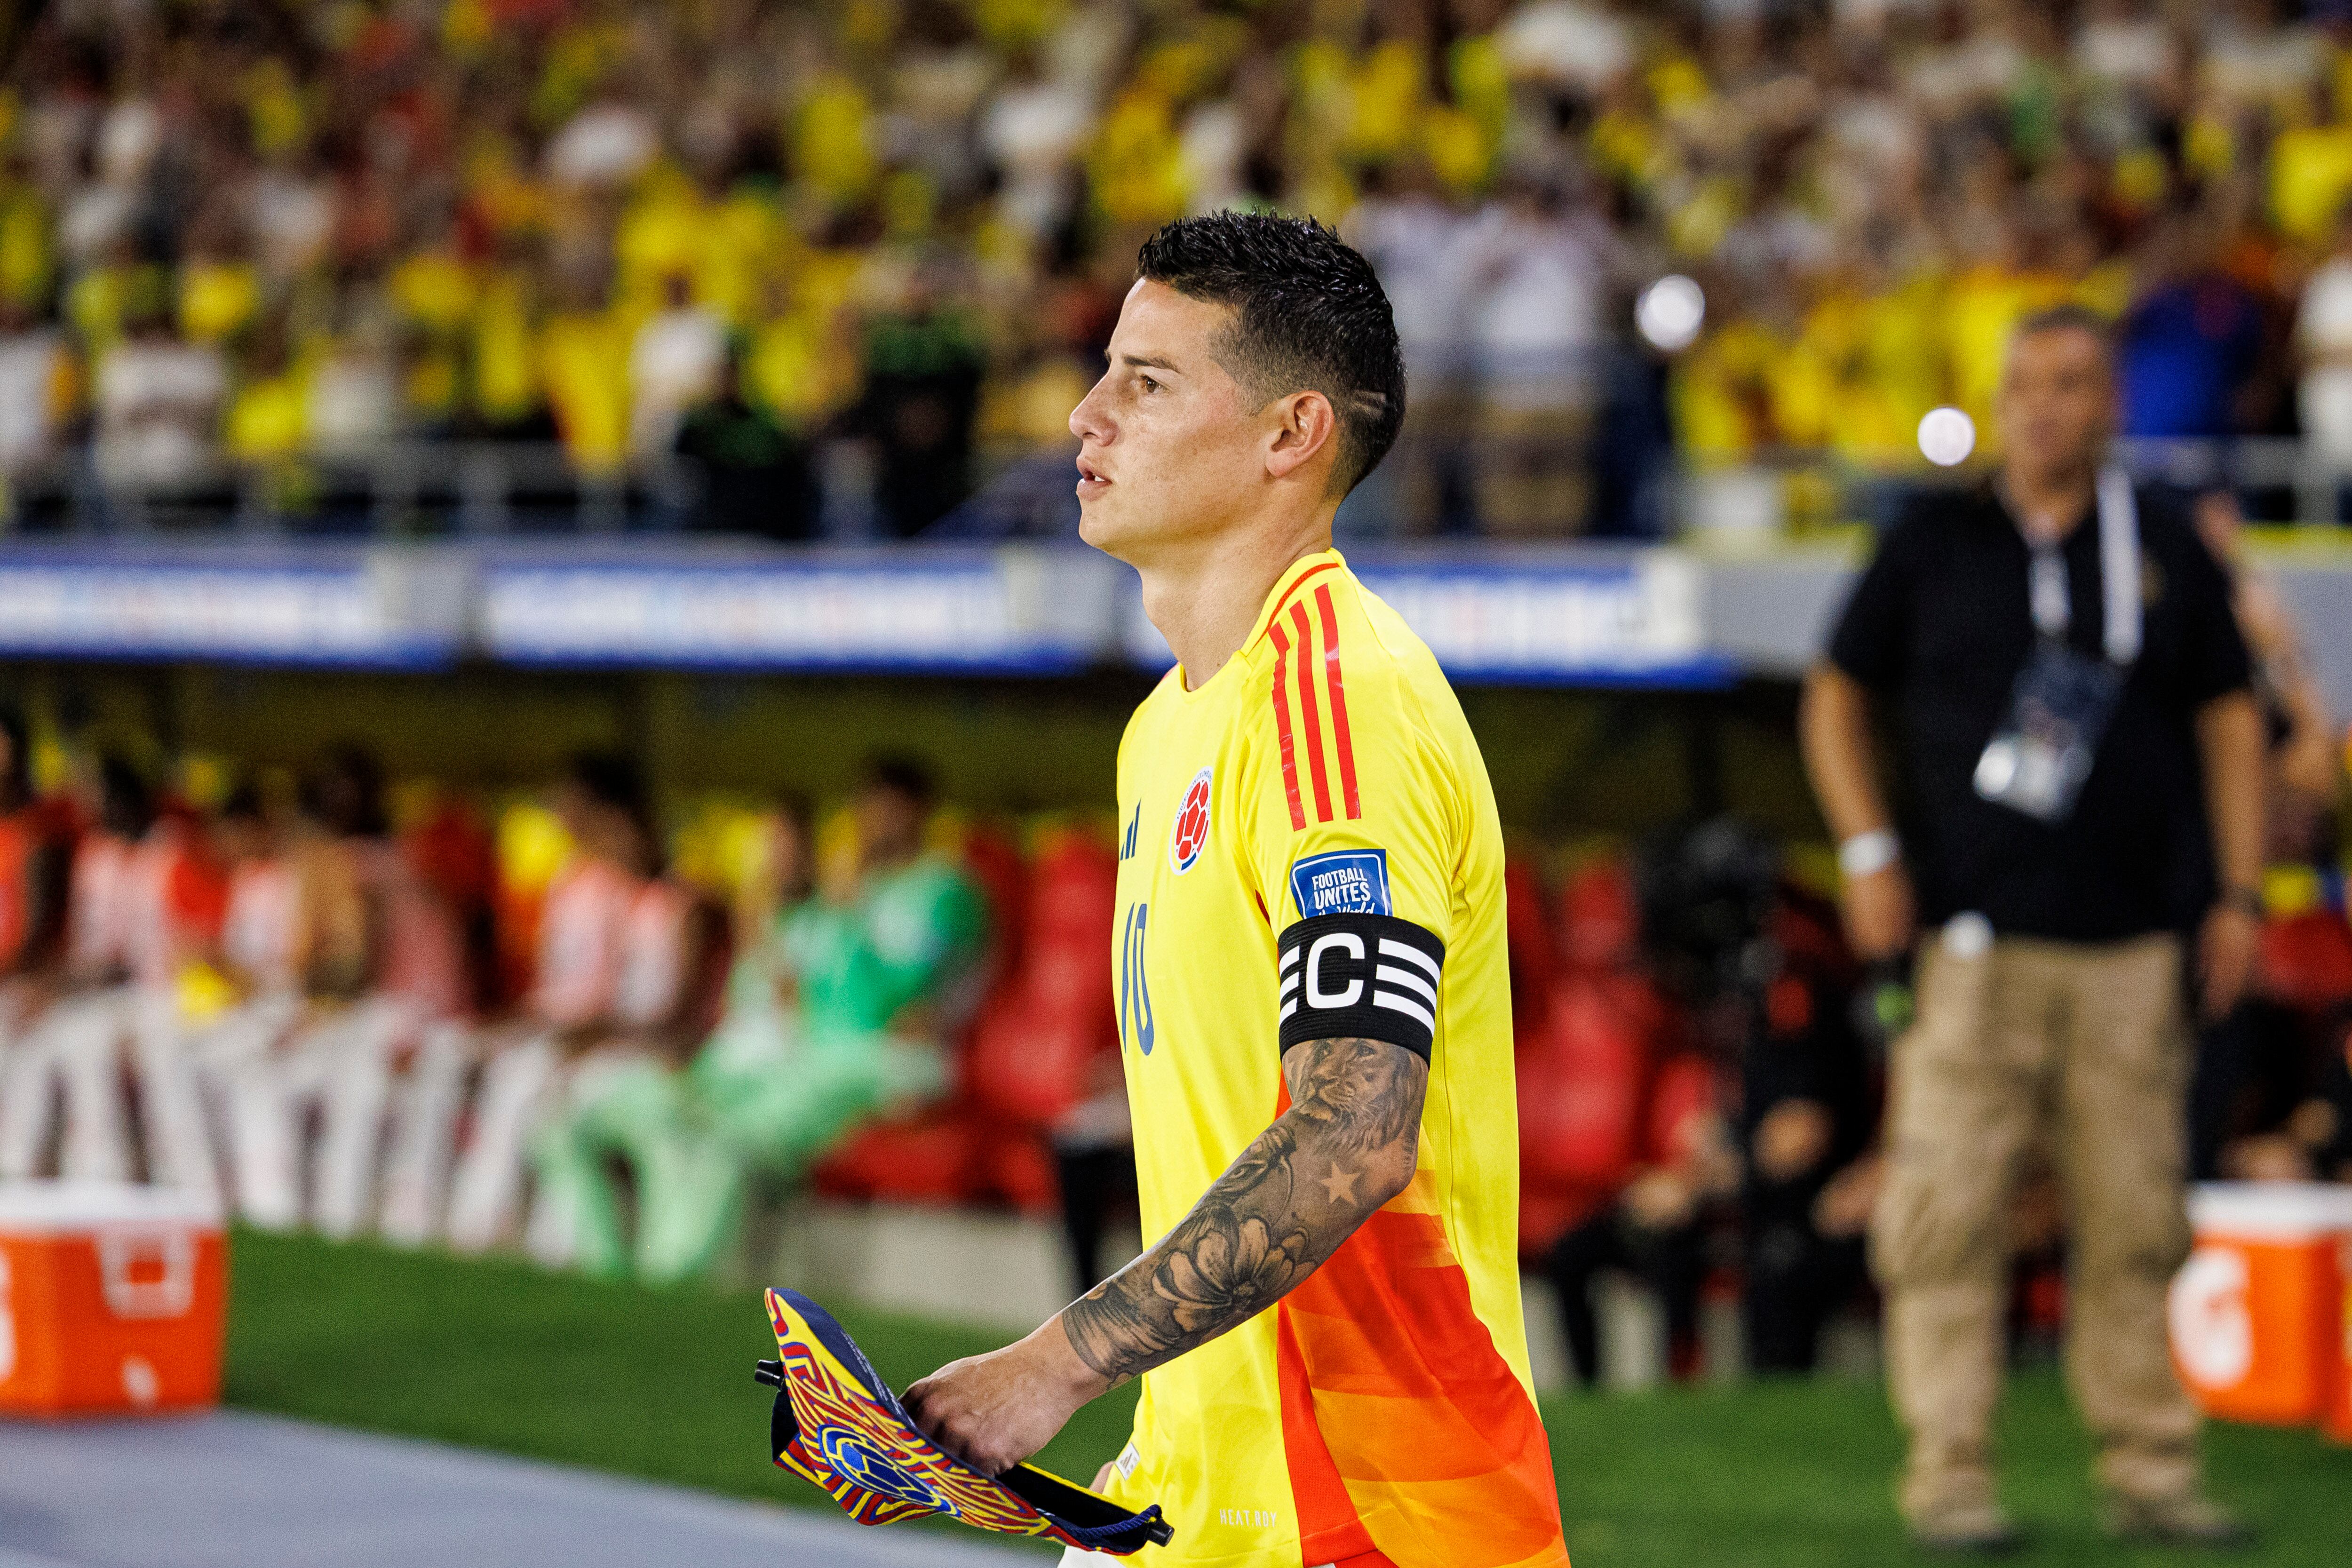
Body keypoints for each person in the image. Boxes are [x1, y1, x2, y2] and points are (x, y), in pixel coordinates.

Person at [899, 214, 1567, 1567]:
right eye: (1105, 370)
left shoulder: (1336, 705)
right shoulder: (1169, 725)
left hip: (1376, 1504)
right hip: (1210, 1488)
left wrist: (1057, 1361)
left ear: (1288, 435)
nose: (1087, 414)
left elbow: (1352, 1135)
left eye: (1147, 381)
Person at [1800, 304, 2266, 1551]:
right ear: (2000, 400)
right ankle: (1950, 1476)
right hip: (1970, 946)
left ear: (2111, 401)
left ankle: (2151, 1468)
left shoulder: (2163, 545)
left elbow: (2230, 722)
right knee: (1945, 1214)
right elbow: (1836, 694)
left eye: (2071, 383)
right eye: (2025, 385)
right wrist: (1866, 849)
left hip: (2132, 948)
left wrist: (2239, 891)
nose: (2045, 406)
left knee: (2134, 1216)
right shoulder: (1935, 541)